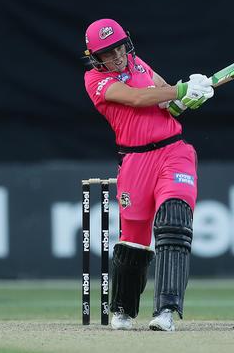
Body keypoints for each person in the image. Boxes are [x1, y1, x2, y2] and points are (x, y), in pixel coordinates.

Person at [83, 18, 214, 331]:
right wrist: (182, 88)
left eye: (119, 47)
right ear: (94, 57)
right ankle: (123, 310)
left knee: (174, 220)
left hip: (173, 152)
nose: (116, 56)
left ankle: (166, 311)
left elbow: (167, 102)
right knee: (134, 240)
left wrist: (187, 99)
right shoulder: (94, 81)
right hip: (135, 161)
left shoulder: (138, 62)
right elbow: (137, 98)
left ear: (127, 43)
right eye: (107, 53)